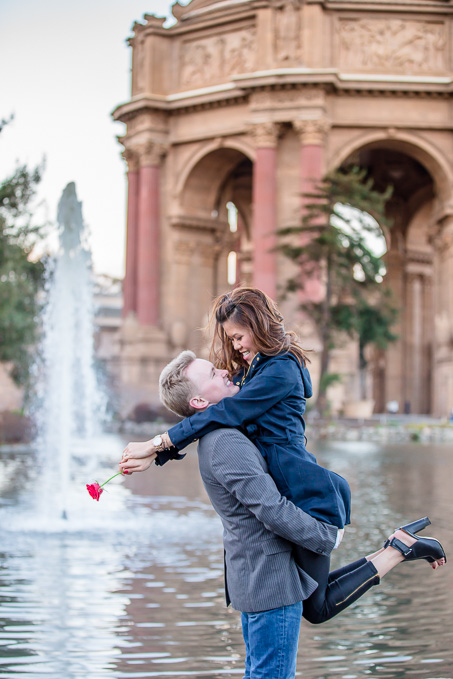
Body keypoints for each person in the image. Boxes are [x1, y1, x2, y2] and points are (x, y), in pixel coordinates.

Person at [120, 288, 446, 624]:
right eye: (231, 339)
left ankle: (397, 549)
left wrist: (157, 443)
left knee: (316, 609)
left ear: (258, 325)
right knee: (313, 600)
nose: (235, 346)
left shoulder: (281, 369)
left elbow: (226, 411)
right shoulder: (261, 370)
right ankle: (399, 545)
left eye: (238, 337)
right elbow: (215, 413)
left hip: (307, 496)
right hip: (297, 490)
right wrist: (157, 455)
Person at [121, 351, 445, 679]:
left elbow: (211, 418)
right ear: (201, 400)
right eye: (212, 373)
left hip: (263, 577)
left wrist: (159, 450)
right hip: (268, 581)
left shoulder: (224, 427)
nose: (224, 372)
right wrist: (324, 537)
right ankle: (398, 548)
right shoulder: (224, 442)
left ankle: (398, 548)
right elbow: (271, 508)